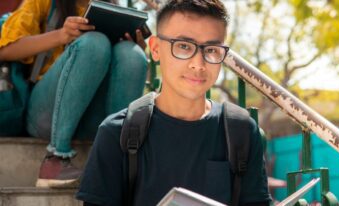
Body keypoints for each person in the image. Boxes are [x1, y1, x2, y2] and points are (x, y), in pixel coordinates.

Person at [76, 0, 271, 205]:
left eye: (212, 49)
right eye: (184, 46)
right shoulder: (116, 132)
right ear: (156, 49)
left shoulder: (242, 131)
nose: (198, 64)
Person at [0, 0, 147, 188]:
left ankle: (116, 162)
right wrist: (61, 35)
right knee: (94, 43)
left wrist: (136, 46)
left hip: (93, 119)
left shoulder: (114, 7)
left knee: (131, 54)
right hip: (45, 115)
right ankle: (55, 159)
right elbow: (4, 49)